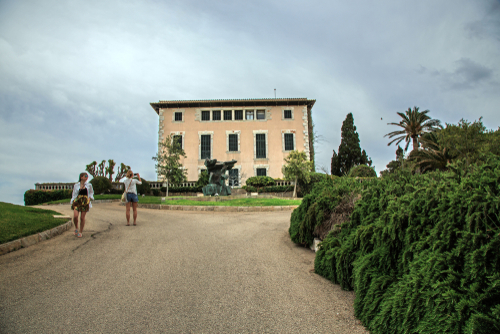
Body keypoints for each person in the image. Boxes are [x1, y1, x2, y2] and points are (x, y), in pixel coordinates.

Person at [70, 172, 94, 238]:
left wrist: (89, 200)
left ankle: (80, 232)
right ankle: (76, 227)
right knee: (75, 216)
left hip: (85, 202)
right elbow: (74, 194)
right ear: (81, 177)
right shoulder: (76, 185)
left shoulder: (89, 185)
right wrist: (72, 201)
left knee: (82, 217)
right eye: (85, 176)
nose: (87, 177)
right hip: (77, 201)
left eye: (87, 176)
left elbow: (91, 193)